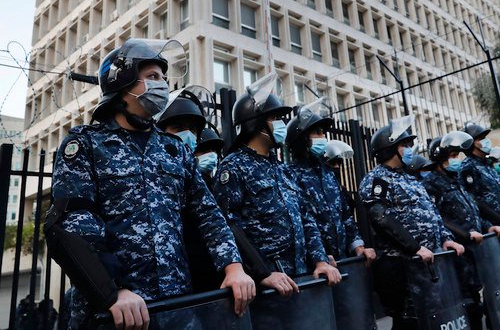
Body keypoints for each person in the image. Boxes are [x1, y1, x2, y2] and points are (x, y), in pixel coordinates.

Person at [45, 39, 255, 329]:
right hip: (113, 312)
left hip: (176, 306)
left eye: (163, 78)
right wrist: (114, 290)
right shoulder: (85, 144)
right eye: (153, 77)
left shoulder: (174, 149)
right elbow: (74, 222)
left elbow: (208, 214)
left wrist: (233, 267)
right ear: (123, 81)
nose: (162, 85)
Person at [210, 73, 341, 295]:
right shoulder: (233, 167)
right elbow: (228, 226)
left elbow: (305, 218)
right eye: (275, 119)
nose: (282, 125)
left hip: (300, 277)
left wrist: (319, 261)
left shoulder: (281, 168)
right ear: (256, 122)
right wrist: (262, 273)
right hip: (268, 285)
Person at [359, 116, 464, 330]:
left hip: (427, 262)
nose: (409, 149)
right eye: (404, 144)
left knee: (433, 316)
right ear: (389, 148)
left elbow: (432, 212)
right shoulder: (377, 179)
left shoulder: (410, 178)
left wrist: (446, 239)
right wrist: (415, 247)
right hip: (402, 266)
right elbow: (381, 218)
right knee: (409, 321)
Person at [423, 131, 500, 330]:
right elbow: (438, 218)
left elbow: (472, 209)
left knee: (482, 297)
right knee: (468, 303)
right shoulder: (431, 183)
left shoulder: (456, 179)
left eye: (456, 156)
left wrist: (487, 226)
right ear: (440, 157)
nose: (456, 160)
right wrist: (465, 235)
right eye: (452, 156)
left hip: (475, 247)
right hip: (457, 252)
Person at [286, 99, 375, 264]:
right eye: (317, 132)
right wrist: (318, 257)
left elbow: (345, 215)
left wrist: (358, 246)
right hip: (315, 266)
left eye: (323, 132)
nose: (323, 137)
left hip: (342, 260)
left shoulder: (328, 174)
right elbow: (300, 223)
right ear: (301, 139)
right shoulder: (290, 174)